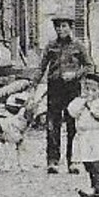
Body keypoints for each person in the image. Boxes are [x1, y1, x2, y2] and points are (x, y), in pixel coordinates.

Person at [35, 13, 93, 174]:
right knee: (52, 125)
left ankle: (73, 161)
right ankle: (52, 161)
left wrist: (75, 74)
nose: (61, 29)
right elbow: (41, 67)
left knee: (72, 125)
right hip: (54, 88)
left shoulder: (78, 46)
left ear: (70, 28)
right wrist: (33, 85)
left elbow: (89, 66)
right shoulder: (50, 46)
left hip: (72, 88)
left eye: (64, 26)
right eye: (58, 26)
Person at [66, 73, 99, 197]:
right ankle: (92, 184)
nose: (89, 93)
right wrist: (82, 104)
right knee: (87, 161)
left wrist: (91, 107)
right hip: (84, 136)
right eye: (86, 89)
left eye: (93, 90)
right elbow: (72, 111)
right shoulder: (79, 102)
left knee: (98, 162)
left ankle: (97, 187)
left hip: (96, 135)